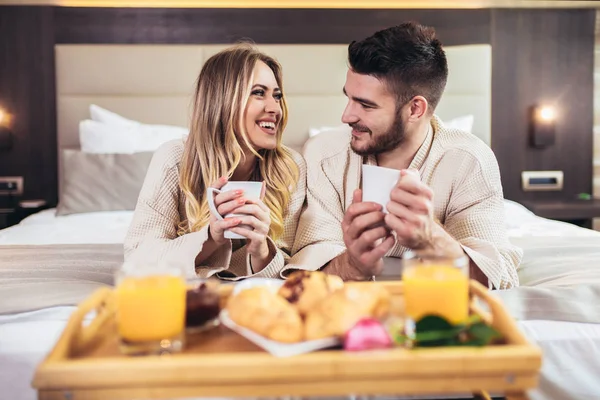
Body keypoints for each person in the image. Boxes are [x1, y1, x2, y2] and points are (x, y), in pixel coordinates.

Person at [289, 22, 522, 289]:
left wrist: (430, 238)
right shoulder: (323, 155)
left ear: (415, 110)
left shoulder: (469, 160)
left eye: (365, 105)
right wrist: (353, 263)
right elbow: (305, 275)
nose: (346, 116)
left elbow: (497, 280)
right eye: (349, 98)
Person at [125, 43, 306, 280]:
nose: (275, 108)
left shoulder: (289, 168)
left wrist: (261, 249)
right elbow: (138, 259)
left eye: (277, 95)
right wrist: (211, 237)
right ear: (222, 101)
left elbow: (290, 267)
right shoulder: (174, 159)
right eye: (258, 92)